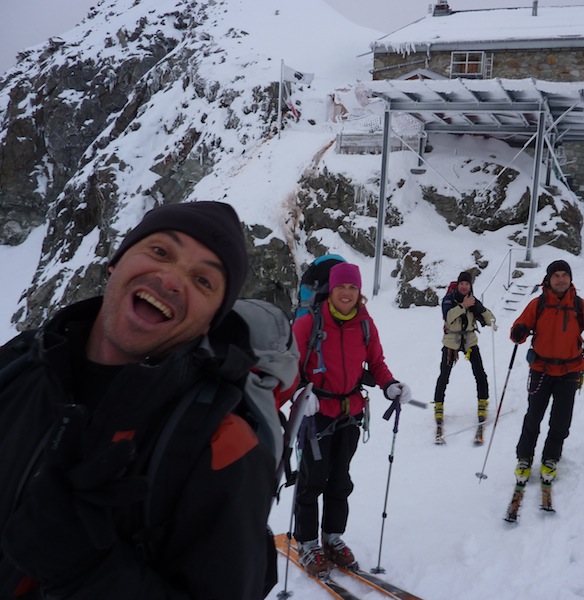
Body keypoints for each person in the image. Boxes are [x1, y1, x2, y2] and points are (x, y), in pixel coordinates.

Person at [0, 201, 283, 599]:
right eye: (160, 251)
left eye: (203, 281)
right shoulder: (19, 364)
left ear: (209, 322)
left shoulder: (222, 446)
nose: (170, 279)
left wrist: (85, 572)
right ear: (116, 261)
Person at [291, 262, 412, 578]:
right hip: (316, 414)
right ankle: (306, 541)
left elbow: (377, 362)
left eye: (352, 287)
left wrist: (389, 385)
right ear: (331, 289)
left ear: (359, 292)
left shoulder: (365, 324)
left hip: (350, 413)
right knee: (311, 481)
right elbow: (288, 365)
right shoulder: (309, 324)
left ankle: (331, 538)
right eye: (341, 287)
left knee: (340, 479)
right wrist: (299, 395)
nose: (346, 292)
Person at [509, 259, 584, 487]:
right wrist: (519, 331)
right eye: (556, 275)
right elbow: (517, 331)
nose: (560, 279)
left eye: (564, 275)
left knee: (561, 421)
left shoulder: (580, 306)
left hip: (570, 371)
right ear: (548, 280)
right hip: (541, 369)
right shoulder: (537, 304)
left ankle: (551, 457)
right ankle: (524, 458)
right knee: (533, 417)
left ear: (570, 279)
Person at [433, 270, 496, 439]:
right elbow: (448, 317)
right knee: (444, 376)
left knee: (480, 374)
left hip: (469, 339)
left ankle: (482, 403)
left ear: (470, 286)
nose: (464, 286)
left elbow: (486, 314)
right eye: (462, 283)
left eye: (467, 284)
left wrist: (487, 317)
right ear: (458, 285)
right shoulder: (449, 300)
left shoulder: (473, 301)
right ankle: (438, 406)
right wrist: (464, 306)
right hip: (451, 341)